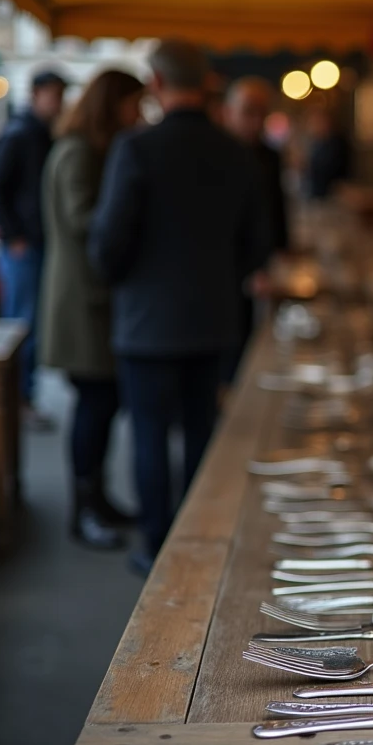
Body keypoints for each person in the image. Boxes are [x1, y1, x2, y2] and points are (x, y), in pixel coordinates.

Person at [89, 40, 270, 575]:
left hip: (146, 320)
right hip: (214, 318)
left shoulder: (136, 149)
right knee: (200, 436)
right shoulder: (235, 151)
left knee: (147, 436)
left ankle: (154, 547)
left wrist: (130, 278)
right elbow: (257, 246)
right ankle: (199, 545)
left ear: (157, 84)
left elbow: (107, 246)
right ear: (207, 83)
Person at [40, 69, 144, 550]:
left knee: (101, 405)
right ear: (112, 103)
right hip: (82, 300)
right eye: (132, 104)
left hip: (93, 297)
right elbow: (83, 220)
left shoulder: (89, 147)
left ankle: (97, 499)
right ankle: (83, 510)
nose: (138, 114)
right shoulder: (79, 150)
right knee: (94, 405)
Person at [0, 69, 67, 430]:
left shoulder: (45, 133)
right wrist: (14, 235)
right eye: (53, 95)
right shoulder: (18, 134)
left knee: (30, 323)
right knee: (22, 325)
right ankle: (18, 399)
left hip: (37, 243)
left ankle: (23, 396)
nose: (58, 102)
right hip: (23, 246)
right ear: (36, 94)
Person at [221, 76, 290, 386]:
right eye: (248, 111)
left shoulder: (269, 155)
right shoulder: (217, 154)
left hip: (256, 260)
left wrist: (275, 254)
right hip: (221, 265)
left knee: (248, 337)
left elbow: (276, 208)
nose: (256, 120)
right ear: (228, 111)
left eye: (261, 112)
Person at [306, 107, 349, 199]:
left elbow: (329, 169)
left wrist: (305, 164)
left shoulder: (336, 143)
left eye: (317, 122)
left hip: (333, 196)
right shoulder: (318, 143)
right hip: (318, 194)